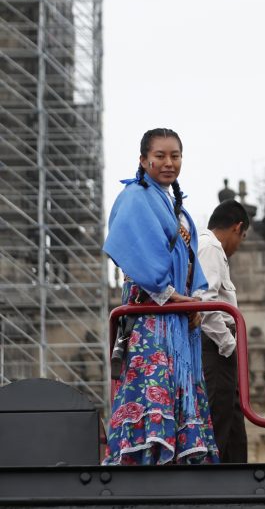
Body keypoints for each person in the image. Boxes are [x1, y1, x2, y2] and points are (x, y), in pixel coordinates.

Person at [102, 128, 218, 465]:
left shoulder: (176, 207)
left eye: (175, 156)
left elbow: (193, 260)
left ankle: (180, 454)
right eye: (161, 156)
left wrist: (196, 299)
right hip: (151, 316)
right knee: (153, 384)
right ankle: (147, 457)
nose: (168, 163)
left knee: (179, 386)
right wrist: (180, 299)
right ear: (143, 160)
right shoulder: (136, 197)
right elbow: (140, 259)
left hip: (179, 321)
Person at [196, 199, 250, 463]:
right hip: (215, 347)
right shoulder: (211, 248)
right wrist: (228, 344)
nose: (239, 246)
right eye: (242, 237)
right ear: (237, 228)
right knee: (218, 422)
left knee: (233, 427)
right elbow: (206, 302)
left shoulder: (208, 247)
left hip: (219, 347)